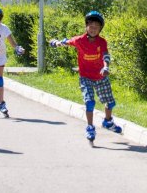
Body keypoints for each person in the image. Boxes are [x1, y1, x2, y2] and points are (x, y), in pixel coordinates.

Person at [49, 10, 122, 143]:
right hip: (86, 77)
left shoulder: (102, 42)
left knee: (110, 103)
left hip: (101, 76)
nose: (93, 29)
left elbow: (106, 55)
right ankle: (90, 127)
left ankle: (108, 121)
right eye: (91, 26)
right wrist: (56, 43)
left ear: (100, 29)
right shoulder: (79, 40)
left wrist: (106, 67)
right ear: (86, 27)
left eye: (96, 27)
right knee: (89, 102)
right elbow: (67, 42)